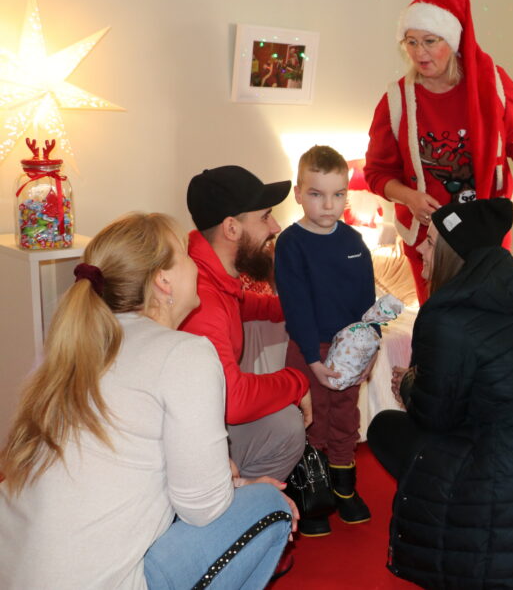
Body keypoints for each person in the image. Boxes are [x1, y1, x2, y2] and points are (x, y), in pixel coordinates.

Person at [0, 213, 296, 589]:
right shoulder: (185, 353)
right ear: (163, 280)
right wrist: (242, 487)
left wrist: (228, 479)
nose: (195, 264)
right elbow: (203, 509)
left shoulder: (78, 344)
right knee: (271, 505)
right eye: (186, 255)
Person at [367, 198, 513, 589]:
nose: (420, 250)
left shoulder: (445, 317)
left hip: (507, 465)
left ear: (453, 255)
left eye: (430, 242)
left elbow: (435, 418)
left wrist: (408, 385)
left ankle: (447, 518)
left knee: (385, 427)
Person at [364, 0, 513, 304]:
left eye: (430, 41)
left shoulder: (492, 83)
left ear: (452, 40)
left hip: (485, 228)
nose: (419, 52)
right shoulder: (397, 101)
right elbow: (377, 173)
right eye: (411, 42)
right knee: (439, 318)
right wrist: (409, 198)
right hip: (429, 240)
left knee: (488, 314)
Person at [181, 165, 311, 482]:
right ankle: (238, 501)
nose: (275, 227)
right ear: (231, 228)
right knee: (286, 425)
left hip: (199, 422)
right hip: (187, 442)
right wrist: (296, 382)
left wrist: (299, 307)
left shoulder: (209, 273)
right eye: (265, 217)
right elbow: (233, 400)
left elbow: (244, 304)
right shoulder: (203, 301)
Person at [275, 145, 376, 535]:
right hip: (309, 349)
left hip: (349, 349)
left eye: (338, 194)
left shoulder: (354, 242)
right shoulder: (291, 243)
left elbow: (368, 303)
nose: (328, 205)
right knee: (312, 417)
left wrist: (371, 349)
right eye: (317, 194)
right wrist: (313, 361)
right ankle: (312, 493)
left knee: (345, 417)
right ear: (299, 193)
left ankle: (343, 489)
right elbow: (296, 305)